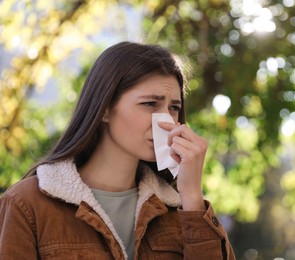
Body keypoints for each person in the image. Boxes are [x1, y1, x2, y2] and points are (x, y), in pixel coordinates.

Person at [0, 42, 236, 259]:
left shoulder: (179, 211)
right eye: (150, 104)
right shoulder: (26, 204)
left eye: (174, 108)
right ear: (104, 109)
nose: (166, 121)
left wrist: (193, 196)